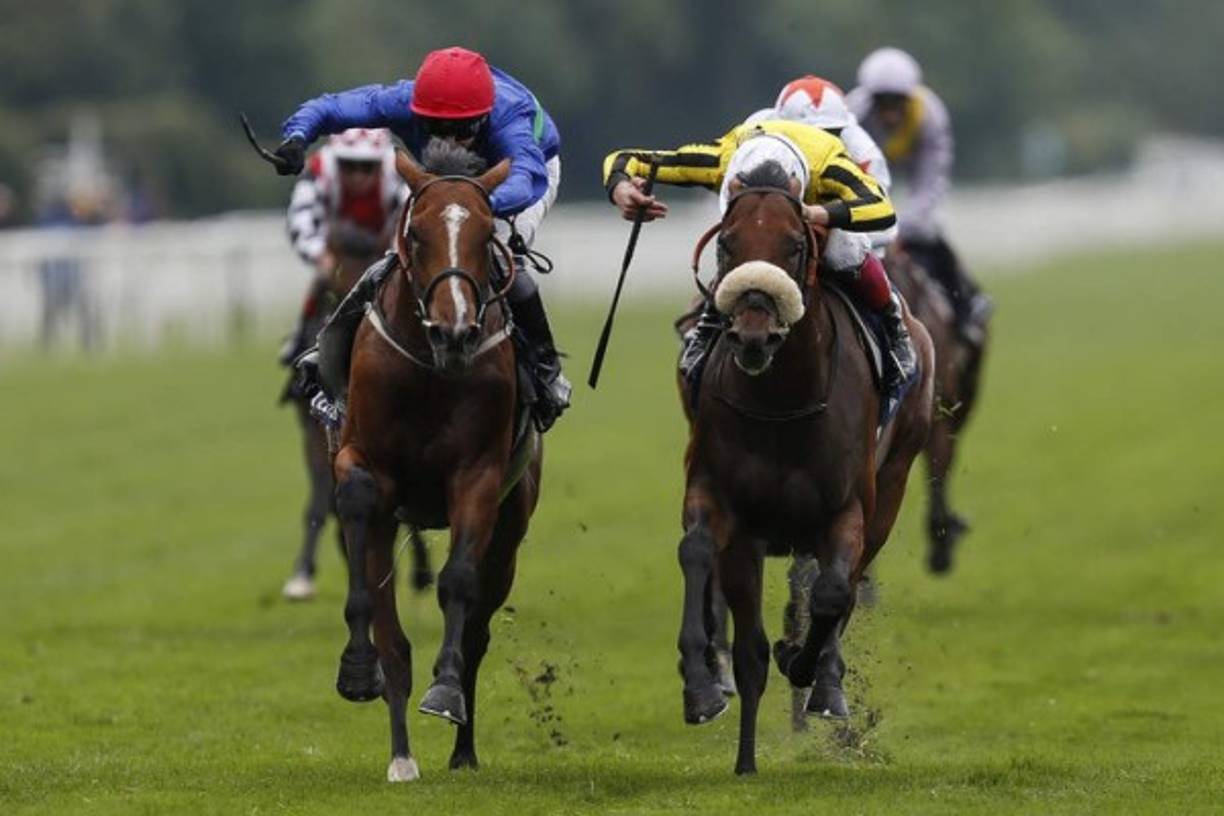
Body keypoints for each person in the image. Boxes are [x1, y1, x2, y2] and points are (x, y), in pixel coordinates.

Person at [270, 46, 569, 431]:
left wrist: (475, 206)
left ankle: (545, 370)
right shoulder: (402, 100)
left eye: (462, 130)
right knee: (402, 255)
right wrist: (297, 137)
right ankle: (325, 357)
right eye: (436, 128)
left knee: (496, 254)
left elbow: (527, 177)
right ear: (419, 112)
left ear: (483, 119)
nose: (448, 139)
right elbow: (330, 108)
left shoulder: (510, 114)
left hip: (519, 177)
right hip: (447, 185)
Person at [603, 120, 917, 406]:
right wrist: (620, 187)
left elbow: (882, 209)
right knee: (739, 247)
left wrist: (816, 213)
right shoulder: (722, 158)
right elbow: (625, 159)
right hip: (760, 215)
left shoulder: (825, 161)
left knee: (846, 251)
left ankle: (894, 327)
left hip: (810, 215)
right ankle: (709, 322)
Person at [846, 47, 991, 344]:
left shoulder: (931, 116)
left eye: (896, 103)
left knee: (929, 232)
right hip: (866, 167)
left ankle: (965, 304)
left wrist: (906, 226)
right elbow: (848, 176)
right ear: (869, 99)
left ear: (909, 98)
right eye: (881, 103)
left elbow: (930, 180)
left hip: (916, 165)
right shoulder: (852, 115)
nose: (888, 113)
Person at [279, 127, 408, 367]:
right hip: (336, 252)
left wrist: (393, 256)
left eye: (367, 167)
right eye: (348, 165)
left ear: (381, 163)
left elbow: (410, 220)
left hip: (382, 253)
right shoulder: (318, 169)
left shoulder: (397, 171)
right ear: (335, 160)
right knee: (323, 275)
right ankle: (300, 338)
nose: (358, 176)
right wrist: (319, 253)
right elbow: (299, 221)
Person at [745, 75, 896, 252]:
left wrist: (828, 223)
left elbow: (884, 228)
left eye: (826, 134)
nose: (815, 145)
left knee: (841, 255)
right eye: (802, 135)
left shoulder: (866, 157)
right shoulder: (754, 140)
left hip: (844, 237)